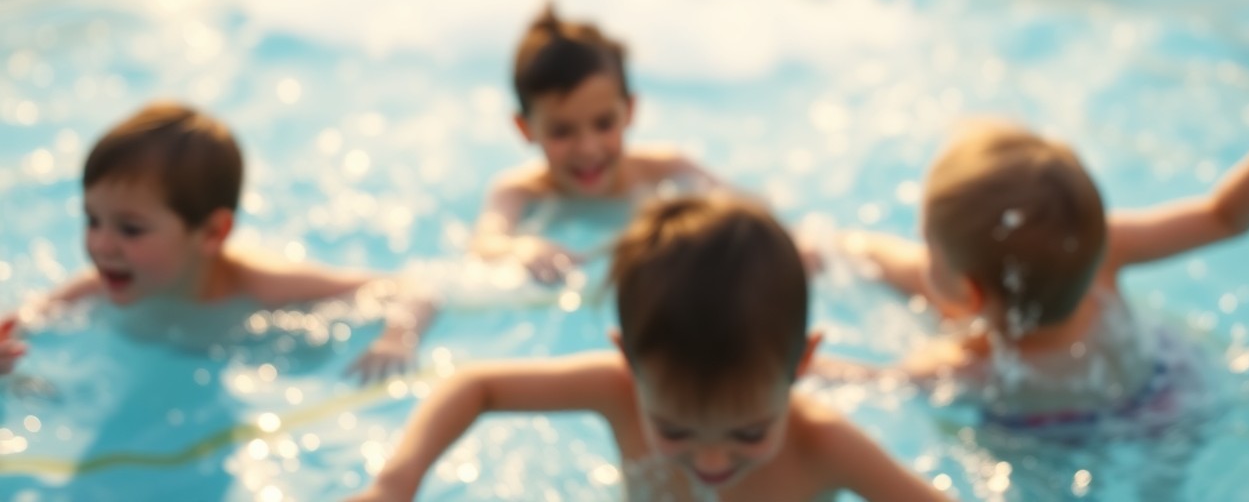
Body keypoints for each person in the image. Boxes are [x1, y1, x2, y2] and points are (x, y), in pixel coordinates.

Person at [821, 40, 1249, 422]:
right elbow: (1227, 217)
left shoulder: (973, 366)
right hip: (1171, 387)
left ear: (973, 291)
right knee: (932, 282)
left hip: (1059, 433)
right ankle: (829, 248)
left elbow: (876, 381)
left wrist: (800, 364)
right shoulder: (1102, 251)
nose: (920, 252)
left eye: (928, 245)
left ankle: (825, 246)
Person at [348, 194, 949, 501]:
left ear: (804, 366)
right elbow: (474, 386)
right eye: (677, 430)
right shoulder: (615, 389)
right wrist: (396, 482)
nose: (712, 462)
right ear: (629, 362)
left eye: (747, 433)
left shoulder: (824, 444)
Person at [0, 101, 437, 384]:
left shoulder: (260, 286)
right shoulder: (97, 286)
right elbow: (23, 323)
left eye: (130, 229)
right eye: (92, 220)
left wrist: (396, 338)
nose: (101, 245)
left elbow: (411, 288)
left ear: (212, 233)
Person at [474, 3, 723, 283]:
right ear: (525, 128)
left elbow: (741, 217)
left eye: (604, 124)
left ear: (629, 110)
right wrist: (519, 247)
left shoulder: (668, 170)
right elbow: (486, 242)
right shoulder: (519, 192)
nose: (588, 148)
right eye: (562, 131)